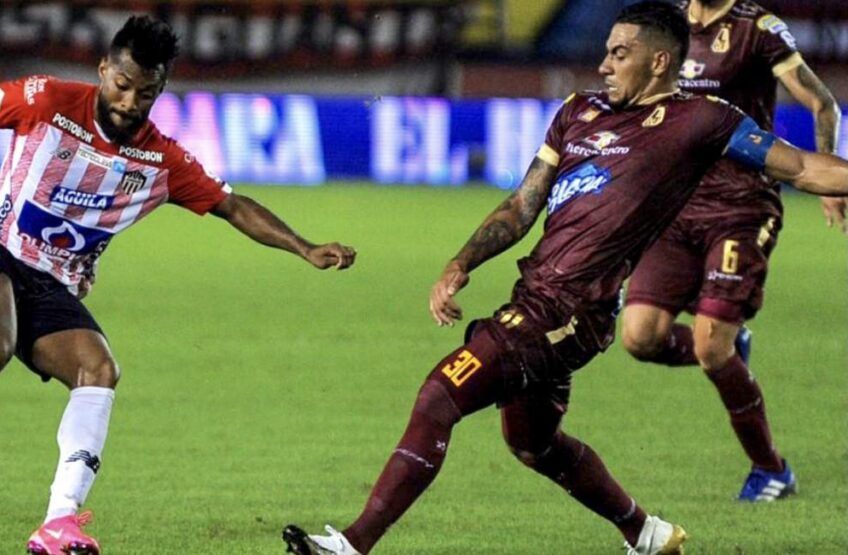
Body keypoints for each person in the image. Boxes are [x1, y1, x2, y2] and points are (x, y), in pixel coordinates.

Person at [283, 2, 848, 554]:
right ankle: (646, 534)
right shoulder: (579, 112)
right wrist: (460, 263)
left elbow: (800, 167)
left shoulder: (702, 120)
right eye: (605, 51)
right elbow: (522, 205)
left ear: (658, 61)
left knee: (439, 396)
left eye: (619, 53)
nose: (604, 63)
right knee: (533, 444)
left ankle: (351, 546)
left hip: (571, 312)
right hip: (535, 295)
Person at [0, 15, 356, 555]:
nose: (131, 102)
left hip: (51, 284)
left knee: (99, 369)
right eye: (123, 85)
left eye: (147, 93)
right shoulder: (46, 100)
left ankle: (58, 523)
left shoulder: (161, 160)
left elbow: (232, 205)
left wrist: (304, 247)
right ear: (103, 69)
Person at [621, 0, 844, 501]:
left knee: (708, 345)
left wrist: (830, 177)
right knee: (639, 337)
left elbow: (822, 102)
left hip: (741, 204)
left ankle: (772, 470)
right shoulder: (668, 23)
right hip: (675, 205)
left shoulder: (756, 29)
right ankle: (730, 350)